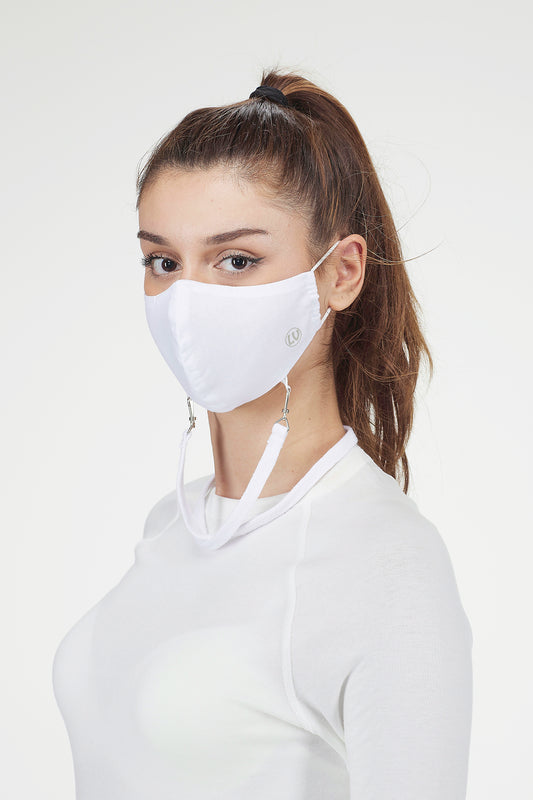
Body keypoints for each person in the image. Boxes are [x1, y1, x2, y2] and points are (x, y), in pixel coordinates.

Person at [52, 70, 473, 799]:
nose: (186, 300)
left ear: (340, 274)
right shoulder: (175, 523)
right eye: (163, 261)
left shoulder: (385, 561)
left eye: (236, 260)